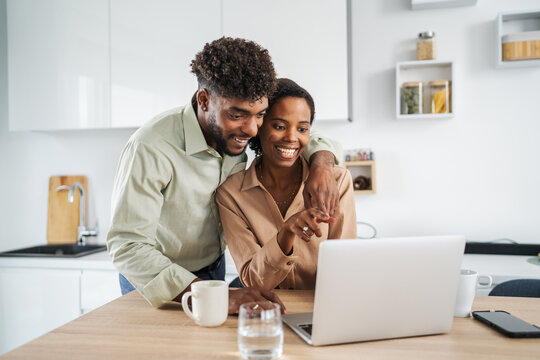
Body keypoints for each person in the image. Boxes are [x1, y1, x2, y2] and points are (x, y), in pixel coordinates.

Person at [107, 38, 342, 313]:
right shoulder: (152, 147)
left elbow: (297, 133)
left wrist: (322, 163)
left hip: (212, 271)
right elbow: (128, 245)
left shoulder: (236, 132)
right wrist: (211, 296)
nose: (253, 130)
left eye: (260, 115)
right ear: (204, 100)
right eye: (238, 115)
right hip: (155, 279)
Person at [216, 78, 357, 291]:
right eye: (280, 126)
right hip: (267, 311)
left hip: (322, 308)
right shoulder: (231, 195)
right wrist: (285, 235)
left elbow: (347, 270)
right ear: (259, 127)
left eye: (302, 129)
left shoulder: (337, 181)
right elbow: (253, 281)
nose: (291, 137)